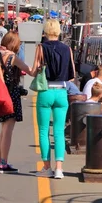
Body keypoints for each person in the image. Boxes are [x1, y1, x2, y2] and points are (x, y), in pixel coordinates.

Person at [32, 19, 73, 179]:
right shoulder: (67, 49)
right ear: (58, 31)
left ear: (46, 31)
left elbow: (35, 70)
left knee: (43, 131)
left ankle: (46, 167)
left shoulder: (41, 48)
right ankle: (59, 169)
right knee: (59, 131)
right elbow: (72, 73)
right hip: (62, 92)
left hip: (45, 91)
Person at [0, 32, 37, 173]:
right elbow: (30, 71)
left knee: (3, 129)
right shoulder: (12, 57)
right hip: (11, 95)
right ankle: (3, 163)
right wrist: (38, 62)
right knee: (8, 130)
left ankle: (0, 159)